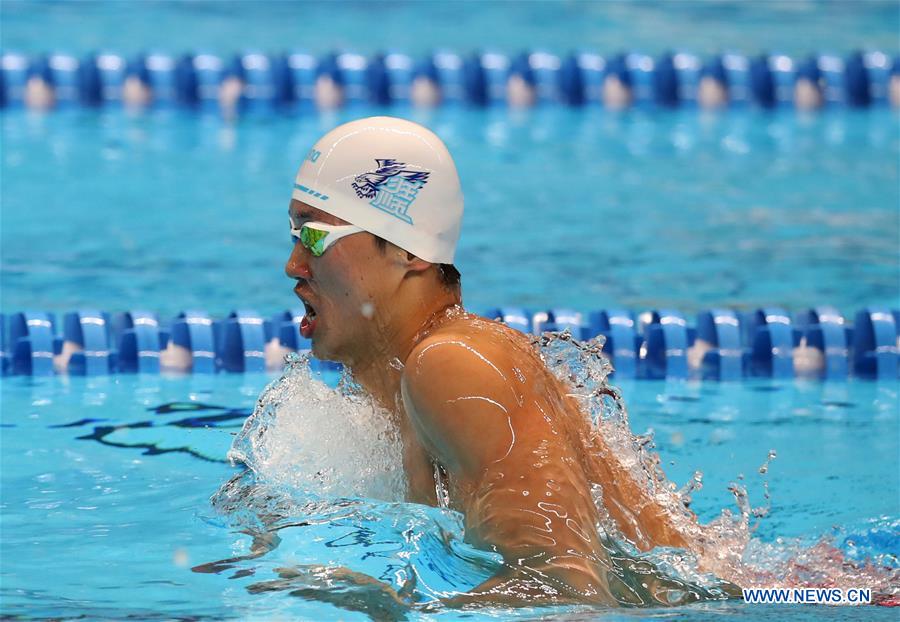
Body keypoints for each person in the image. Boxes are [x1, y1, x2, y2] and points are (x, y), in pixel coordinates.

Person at [285, 116, 709, 607]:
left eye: (314, 236)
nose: (293, 263)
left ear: (406, 250)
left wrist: (391, 609)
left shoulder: (452, 366)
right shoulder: (391, 382)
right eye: (293, 233)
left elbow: (570, 593)